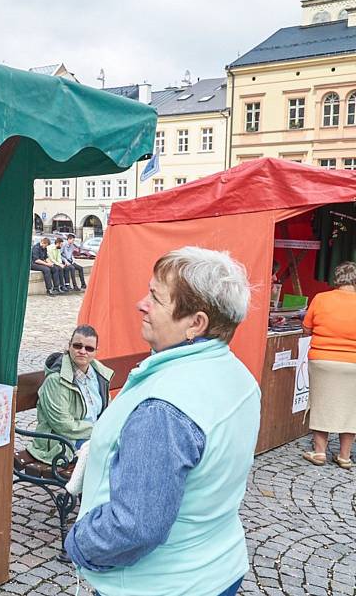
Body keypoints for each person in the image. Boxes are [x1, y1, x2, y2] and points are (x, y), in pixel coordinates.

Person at [65, 246, 260, 596]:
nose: (142, 303)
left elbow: (134, 525)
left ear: (195, 323)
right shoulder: (237, 376)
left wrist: (79, 543)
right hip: (217, 567)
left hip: (159, 584)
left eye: (156, 297)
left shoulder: (165, 407)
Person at [26, 325, 114, 464]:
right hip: (62, 444)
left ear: (96, 351)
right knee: (111, 457)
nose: (82, 351)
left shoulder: (99, 376)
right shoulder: (56, 380)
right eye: (77, 346)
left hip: (92, 437)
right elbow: (64, 426)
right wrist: (98, 431)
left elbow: (107, 410)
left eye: (89, 348)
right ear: (69, 346)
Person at [301, 260, 356, 469]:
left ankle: (320, 452)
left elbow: (307, 328)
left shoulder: (321, 299)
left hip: (322, 360)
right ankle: (344, 456)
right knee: (351, 408)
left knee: (321, 403)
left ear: (336, 279)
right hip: (353, 363)